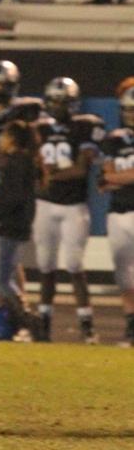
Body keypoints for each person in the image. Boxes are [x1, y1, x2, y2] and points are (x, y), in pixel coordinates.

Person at [34, 77, 106, 343]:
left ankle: (87, 325)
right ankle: (43, 324)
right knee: (46, 267)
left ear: (73, 104)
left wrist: (50, 174)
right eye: (53, 101)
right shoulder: (40, 127)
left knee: (75, 266)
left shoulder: (85, 126)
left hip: (74, 206)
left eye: (61, 102)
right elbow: (37, 166)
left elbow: (80, 169)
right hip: (45, 204)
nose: (56, 107)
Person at [0, 120, 41, 341]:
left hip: (11, 225)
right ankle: (25, 321)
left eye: (5, 135)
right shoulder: (23, 161)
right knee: (5, 277)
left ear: (13, 138)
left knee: (2, 281)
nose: (1, 140)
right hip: (14, 224)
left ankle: (28, 321)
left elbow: (12, 196)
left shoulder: (17, 162)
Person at [98, 78, 134, 347]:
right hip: (118, 211)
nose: (130, 114)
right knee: (124, 273)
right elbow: (106, 174)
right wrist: (121, 177)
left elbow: (111, 177)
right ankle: (131, 327)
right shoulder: (114, 138)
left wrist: (115, 179)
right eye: (128, 109)